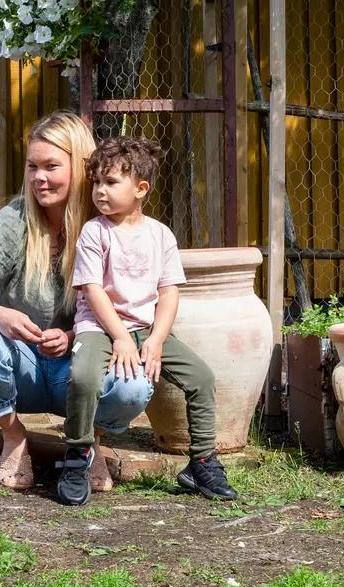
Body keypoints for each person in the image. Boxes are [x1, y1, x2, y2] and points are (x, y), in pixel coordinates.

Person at [0, 111, 154, 492]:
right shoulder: (15, 221)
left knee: (132, 385)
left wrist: (75, 336)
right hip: (21, 365)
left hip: (79, 369)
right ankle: (13, 436)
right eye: (32, 166)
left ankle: (91, 443)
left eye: (51, 166)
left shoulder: (112, 225)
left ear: (81, 167)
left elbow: (138, 302)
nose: (39, 177)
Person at [57, 135, 238, 508]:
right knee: (84, 377)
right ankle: (77, 456)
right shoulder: (95, 232)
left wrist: (155, 340)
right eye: (96, 183)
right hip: (101, 328)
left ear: (141, 189)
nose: (100, 192)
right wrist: (121, 337)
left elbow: (169, 292)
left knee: (201, 378)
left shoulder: (160, 235)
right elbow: (92, 289)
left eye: (110, 182)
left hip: (145, 329)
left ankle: (202, 462)